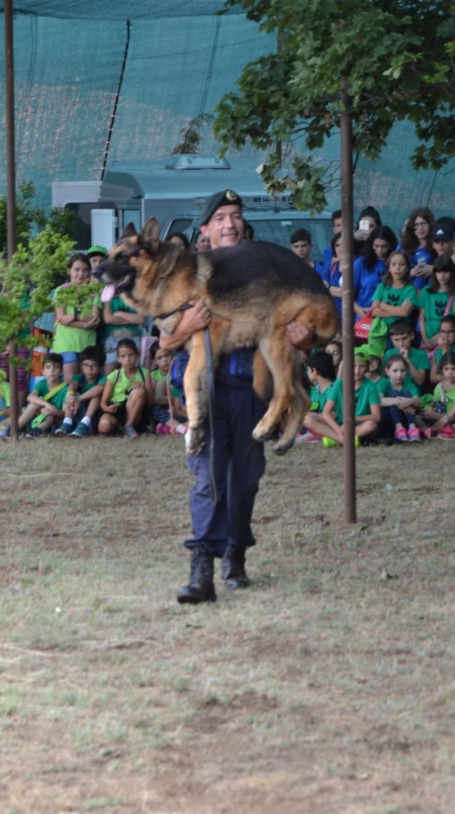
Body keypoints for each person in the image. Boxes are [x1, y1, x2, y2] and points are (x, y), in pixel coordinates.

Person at [162, 188, 313, 604]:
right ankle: (201, 569)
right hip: (208, 394)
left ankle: (236, 552)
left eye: (235, 215)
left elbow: (301, 331)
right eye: (221, 217)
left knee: (244, 480)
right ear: (206, 229)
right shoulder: (187, 276)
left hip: (253, 391)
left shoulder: (267, 270)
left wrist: (308, 336)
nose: (230, 222)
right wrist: (187, 324)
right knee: (208, 478)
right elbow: (164, 341)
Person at [52, 253, 100, 385]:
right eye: (76, 269)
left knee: (86, 384)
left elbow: (95, 318)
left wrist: (74, 316)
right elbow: (61, 318)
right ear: (69, 270)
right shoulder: (61, 291)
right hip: (66, 343)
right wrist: (85, 324)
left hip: (87, 343)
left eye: (85, 270)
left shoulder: (93, 292)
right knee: (71, 384)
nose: (81, 273)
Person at [98, 338, 151, 439]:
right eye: (123, 356)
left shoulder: (145, 373)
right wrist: (108, 408)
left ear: (137, 355)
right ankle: (120, 429)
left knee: (138, 392)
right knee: (104, 426)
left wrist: (143, 389)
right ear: (118, 359)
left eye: (131, 355)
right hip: (117, 410)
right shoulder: (114, 376)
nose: (127, 359)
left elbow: (151, 401)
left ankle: (129, 425)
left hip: (135, 411)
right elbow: (103, 403)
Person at [20, 354, 70, 436]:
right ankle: (14, 429)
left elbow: (64, 413)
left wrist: (52, 411)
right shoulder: (41, 384)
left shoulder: (65, 388)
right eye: (48, 367)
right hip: (38, 418)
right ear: (43, 371)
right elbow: (30, 397)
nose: (52, 370)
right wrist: (47, 405)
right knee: (33, 404)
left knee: (50, 415)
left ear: (61, 371)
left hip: (56, 422)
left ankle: (37, 431)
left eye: (56, 367)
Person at [422, 350, 455, 438]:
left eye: (454, 369)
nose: (450, 372)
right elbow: (435, 405)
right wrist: (429, 410)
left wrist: (436, 415)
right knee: (433, 408)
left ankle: (439, 430)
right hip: (441, 418)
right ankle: (433, 430)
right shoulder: (439, 387)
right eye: (446, 369)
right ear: (442, 370)